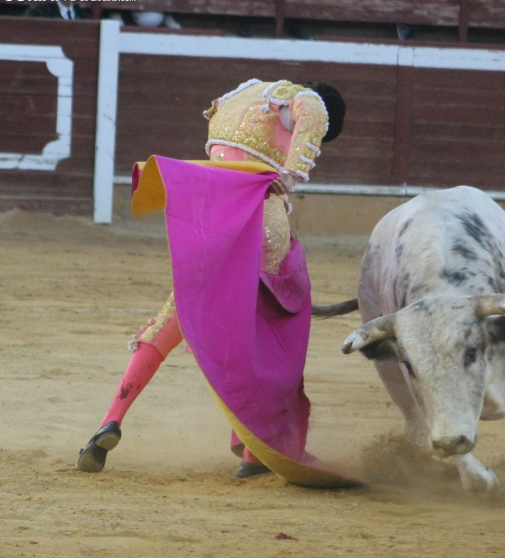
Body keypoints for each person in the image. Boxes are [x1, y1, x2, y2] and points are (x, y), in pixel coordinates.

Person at [77, 79, 346, 479]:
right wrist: (290, 175)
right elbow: (312, 112)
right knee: (264, 330)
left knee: (177, 312)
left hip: (212, 215)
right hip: (258, 216)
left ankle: (110, 419)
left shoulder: (244, 94)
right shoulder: (304, 101)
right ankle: (254, 453)